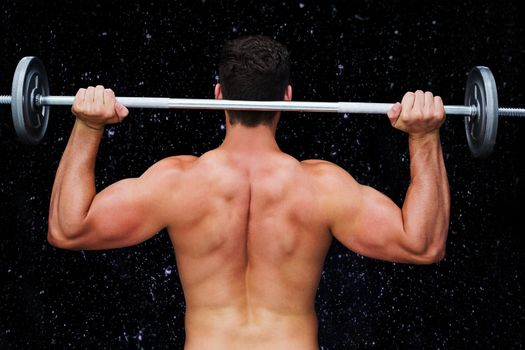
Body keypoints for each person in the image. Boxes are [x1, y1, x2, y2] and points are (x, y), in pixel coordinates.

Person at [47, 35, 449, 349]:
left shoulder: (177, 183)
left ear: (219, 94)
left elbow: (68, 229)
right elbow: (422, 245)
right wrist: (425, 136)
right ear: (287, 97)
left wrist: (88, 127)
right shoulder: (322, 187)